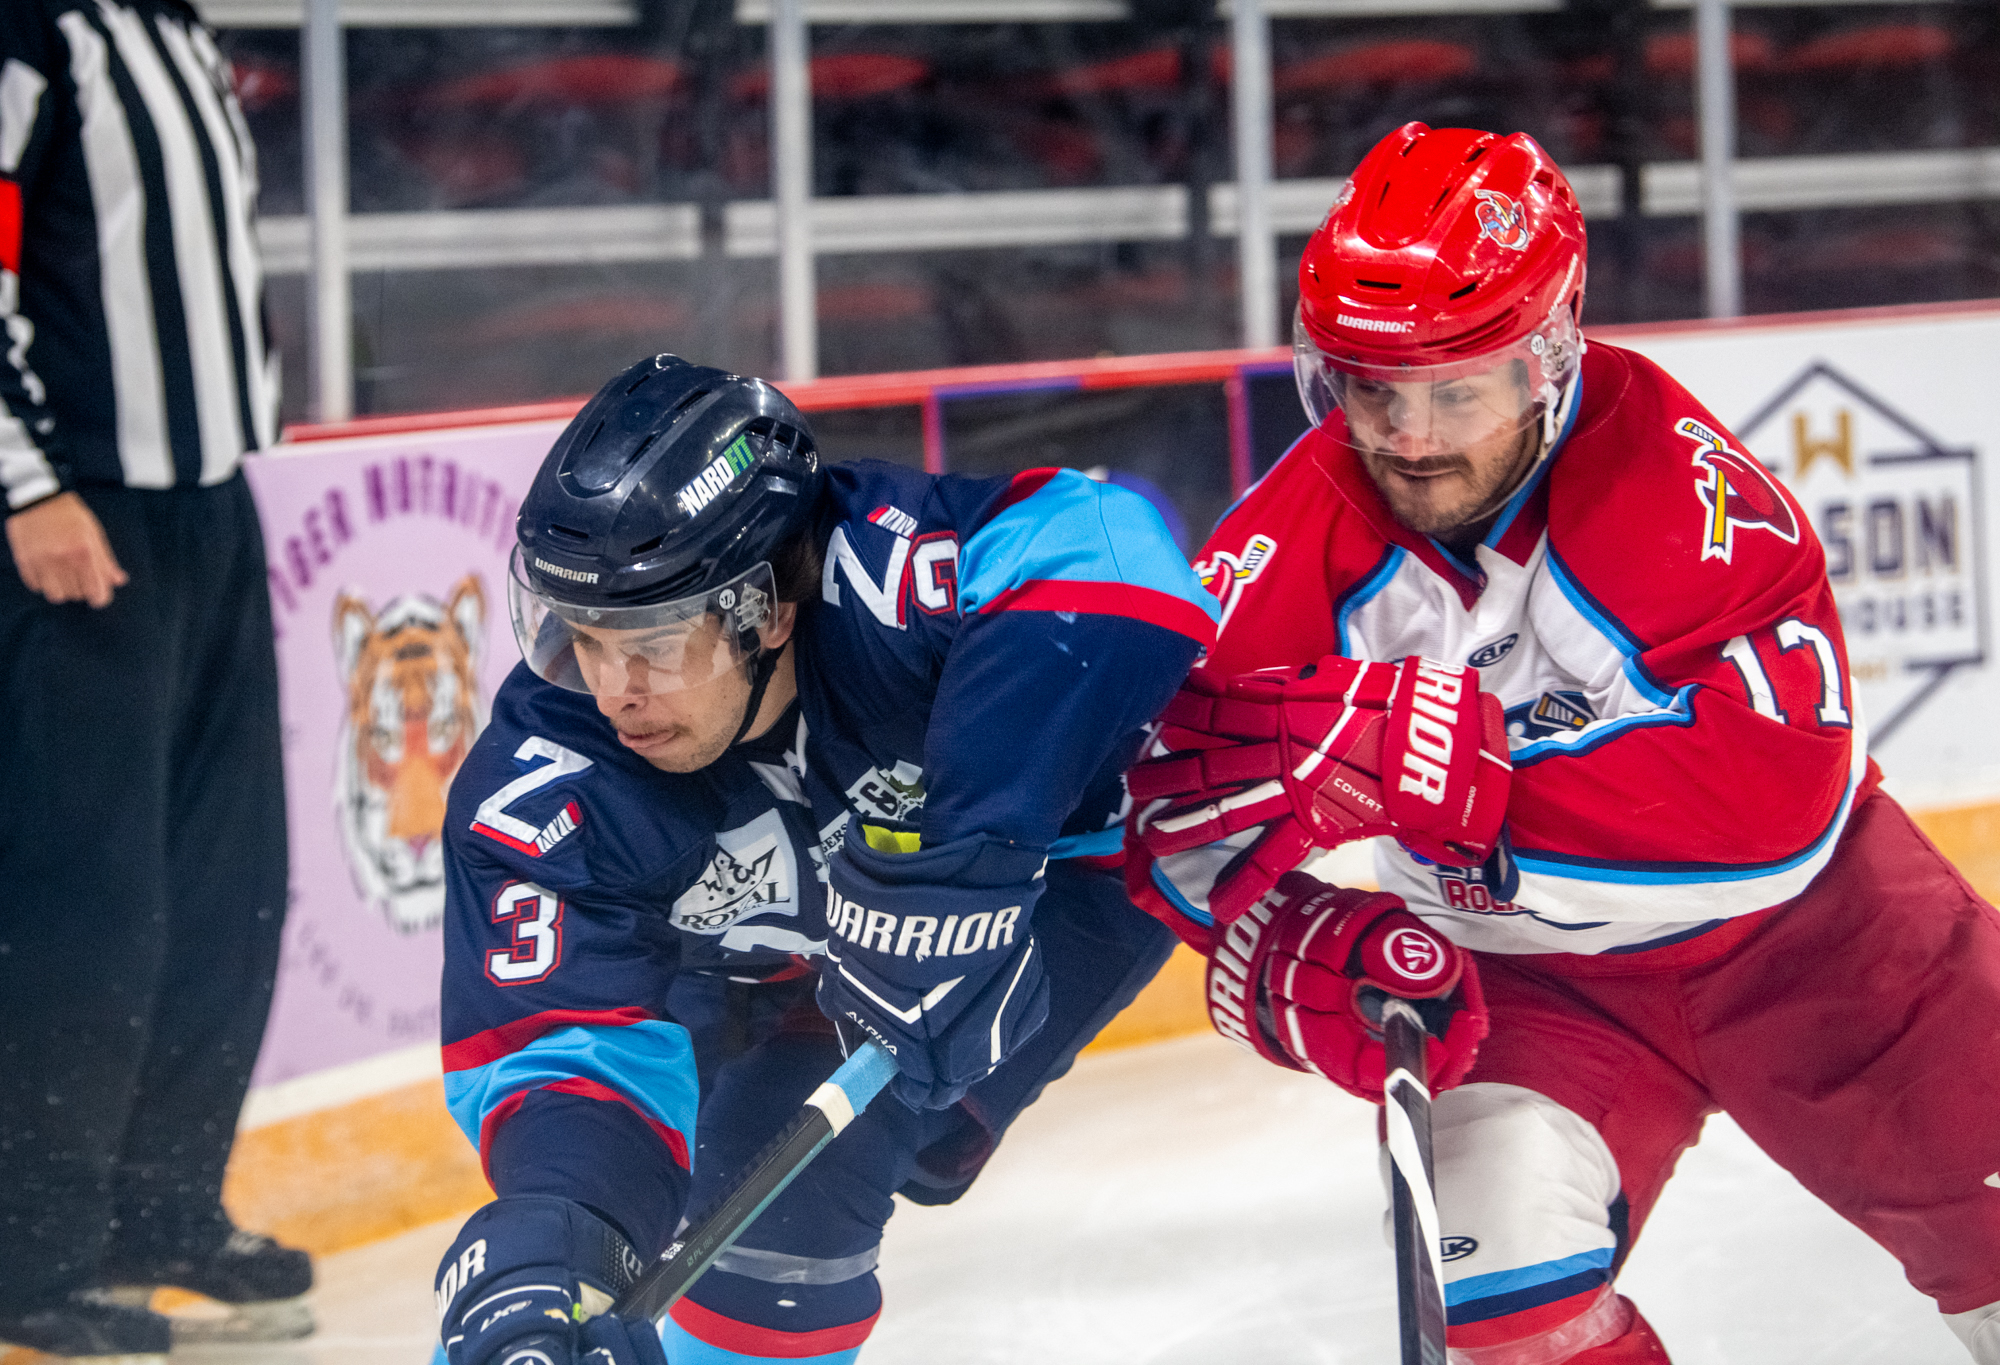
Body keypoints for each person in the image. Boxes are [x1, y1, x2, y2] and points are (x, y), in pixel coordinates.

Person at [1126, 122, 2000, 1364]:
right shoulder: (1291, 534)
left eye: (1454, 390)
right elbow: (1156, 788)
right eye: (1371, 389)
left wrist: (1442, 775)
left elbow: (1758, 812)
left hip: (1825, 947)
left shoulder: (1678, 488)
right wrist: (1269, 932)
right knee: (1505, 1320)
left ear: (1549, 353)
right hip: (1519, 990)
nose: (1408, 439)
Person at [430, 353, 1215, 1365]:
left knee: (793, 1198)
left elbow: (1112, 547)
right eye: (581, 636)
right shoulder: (546, 782)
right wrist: (553, 1248)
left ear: (768, 608)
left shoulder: (892, 583)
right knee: (687, 1178)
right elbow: (568, 1056)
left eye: (654, 643)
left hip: (1049, 894)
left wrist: (969, 860)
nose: (611, 688)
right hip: (761, 965)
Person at [0, 2, 311, 1359]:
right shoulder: (31, 27)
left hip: (204, 500)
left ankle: (161, 1204)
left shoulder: (174, 26)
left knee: (224, 879)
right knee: (87, 901)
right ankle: (28, 1253)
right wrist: (23, 483)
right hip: (73, 512)